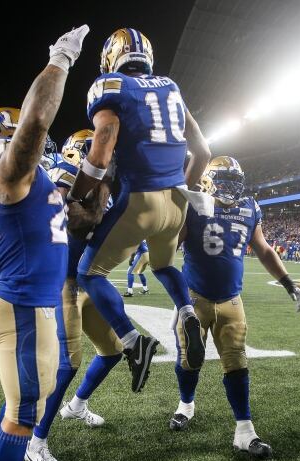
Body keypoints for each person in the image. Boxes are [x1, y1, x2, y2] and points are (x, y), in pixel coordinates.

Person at [0, 25, 88, 461]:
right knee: (26, 411)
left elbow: (69, 216)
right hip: (22, 305)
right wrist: (59, 61)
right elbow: (37, 121)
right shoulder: (10, 171)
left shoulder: (32, 179)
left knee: (25, 400)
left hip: (29, 301)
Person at [68, 27, 211, 393]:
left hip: (140, 199)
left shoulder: (111, 85)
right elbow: (203, 153)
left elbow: (101, 147)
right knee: (163, 266)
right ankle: (187, 312)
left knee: (89, 273)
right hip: (177, 200)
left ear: (112, 56)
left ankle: (133, 341)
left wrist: (77, 193)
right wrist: (186, 194)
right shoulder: (172, 88)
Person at [169, 156, 300, 458]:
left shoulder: (250, 207)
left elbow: (264, 249)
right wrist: (176, 212)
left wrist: (287, 282)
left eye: (234, 181)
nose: (229, 188)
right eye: (223, 180)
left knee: (237, 362)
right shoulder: (195, 203)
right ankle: (186, 405)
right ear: (208, 181)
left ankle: (245, 431)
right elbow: (171, 245)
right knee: (189, 360)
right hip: (195, 296)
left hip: (231, 300)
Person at [18, 128, 123, 461]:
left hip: (88, 277)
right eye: (97, 155)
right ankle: (36, 442)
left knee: (112, 350)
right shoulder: (64, 172)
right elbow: (71, 217)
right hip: (63, 280)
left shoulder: (106, 182)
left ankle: (76, 405)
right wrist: (99, 216)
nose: (104, 161)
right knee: (69, 361)